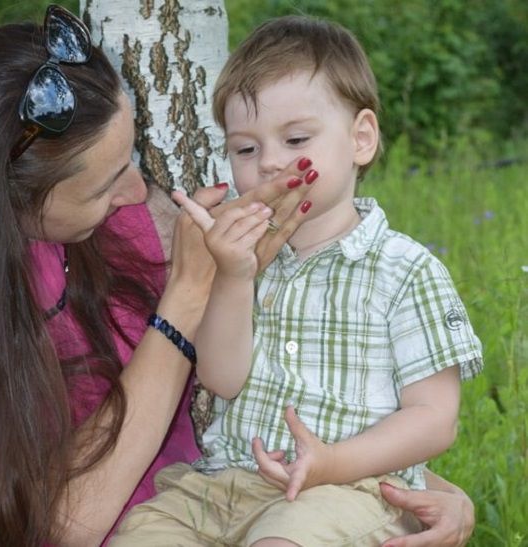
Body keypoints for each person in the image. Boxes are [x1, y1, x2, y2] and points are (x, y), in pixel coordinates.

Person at [0, 5, 475, 546]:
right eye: (110, 181)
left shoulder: (133, 226)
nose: (141, 190)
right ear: (7, 202)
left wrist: (424, 489)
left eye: (133, 153)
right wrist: (188, 296)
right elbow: (64, 523)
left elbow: (308, 388)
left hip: (249, 506)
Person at [111, 14, 482, 547]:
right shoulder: (242, 261)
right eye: (245, 148)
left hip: (347, 491)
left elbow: (434, 420)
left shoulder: (405, 270)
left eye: (296, 138)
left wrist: (334, 462)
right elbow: (222, 379)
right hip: (220, 488)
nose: (269, 163)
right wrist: (236, 277)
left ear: (361, 139)